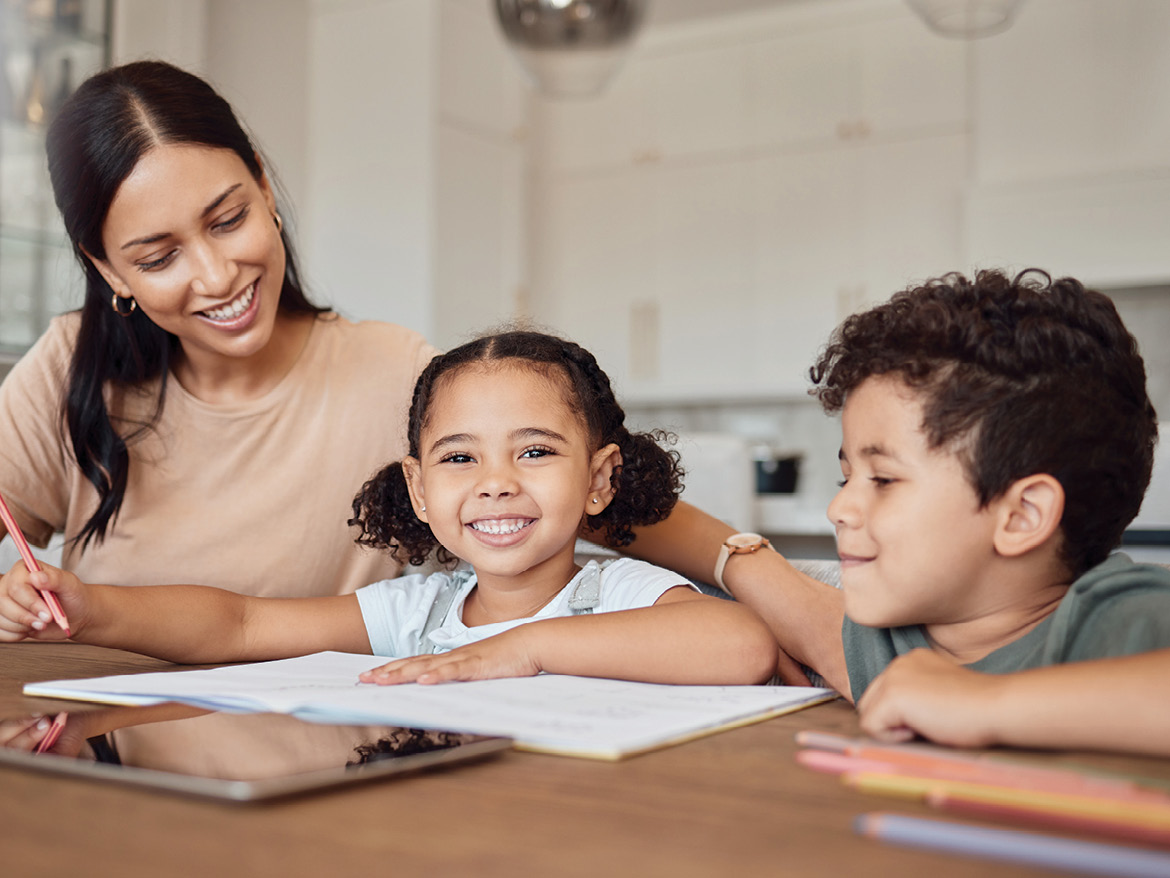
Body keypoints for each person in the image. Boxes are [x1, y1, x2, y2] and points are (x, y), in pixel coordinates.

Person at [0, 330, 778, 686]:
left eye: (535, 451)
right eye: (459, 458)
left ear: (599, 480)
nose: (496, 481)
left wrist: (529, 649)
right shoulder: (420, 609)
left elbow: (739, 643)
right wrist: (92, 608)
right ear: (419, 489)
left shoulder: (613, 595)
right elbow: (242, 625)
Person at [0, 60, 435, 597]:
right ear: (109, 269)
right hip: (78, 685)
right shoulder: (68, 366)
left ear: (263, 186)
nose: (216, 276)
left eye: (228, 221)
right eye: (160, 258)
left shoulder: (398, 374)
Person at [738, 269, 1170, 755]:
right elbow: (714, 552)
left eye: (883, 479)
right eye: (846, 477)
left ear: (1022, 515)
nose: (838, 508)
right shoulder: (882, 631)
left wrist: (985, 703)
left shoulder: (1126, 619)